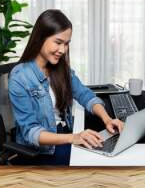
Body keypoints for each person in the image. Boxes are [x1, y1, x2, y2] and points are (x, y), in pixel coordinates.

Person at [8, 9, 124, 165]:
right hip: (43, 150)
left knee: (106, 149)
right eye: (58, 42)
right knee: (97, 159)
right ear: (40, 38)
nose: (62, 50)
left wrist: (107, 119)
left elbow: (85, 95)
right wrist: (73, 138)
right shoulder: (19, 77)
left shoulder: (60, 67)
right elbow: (31, 132)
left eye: (66, 43)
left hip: (64, 133)